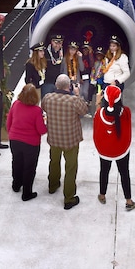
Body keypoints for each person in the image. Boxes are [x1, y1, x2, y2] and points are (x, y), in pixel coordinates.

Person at [42, 73, 88, 210]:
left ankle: (53, 185)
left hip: (54, 138)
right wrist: (78, 94)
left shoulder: (47, 98)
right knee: (71, 167)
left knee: (54, 162)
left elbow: (44, 108)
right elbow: (84, 111)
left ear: (56, 85)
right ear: (69, 86)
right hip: (70, 140)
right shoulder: (74, 101)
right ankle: (69, 198)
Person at [93, 85, 135, 211]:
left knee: (104, 171)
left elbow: (97, 118)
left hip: (105, 151)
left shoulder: (99, 113)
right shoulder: (126, 112)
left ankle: (102, 195)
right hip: (121, 150)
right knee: (124, 173)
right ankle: (128, 201)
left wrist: (97, 102)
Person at [6, 83, 48, 202]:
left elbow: (9, 122)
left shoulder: (15, 104)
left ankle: (16, 185)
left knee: (16, 162)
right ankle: (27, 193)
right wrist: (47, 125)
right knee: (29, 167)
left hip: (14, 140)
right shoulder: (36, 110)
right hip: (31, 143)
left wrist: (12, 134)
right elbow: (41, 130)